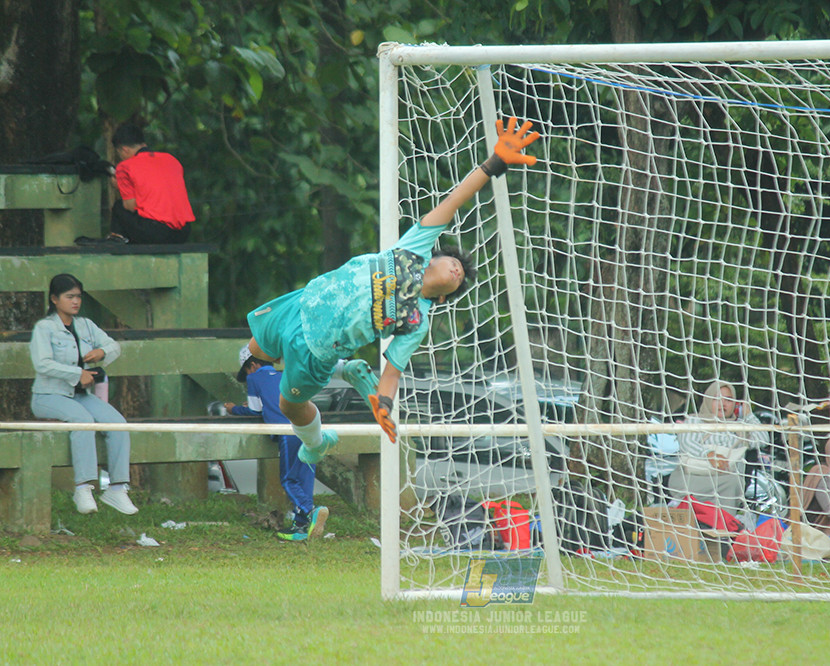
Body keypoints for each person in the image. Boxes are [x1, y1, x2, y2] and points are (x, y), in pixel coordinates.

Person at [244, 117, 539, 464]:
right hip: (304, 303)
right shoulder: (414, 248)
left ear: (443, 297)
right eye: (454, 263)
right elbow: (455, 199)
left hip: (316, 348)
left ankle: (316, 442)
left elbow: (392, 373)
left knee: (288, 405)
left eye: (459, 279)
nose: (457, 270)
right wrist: (494, 163)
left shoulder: (417, 321)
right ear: (437, 255)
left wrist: (383, 405)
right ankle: (345, 370)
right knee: (252, 352)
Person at [29, 274, 138, 515]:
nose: (75, 301)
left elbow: (114, 346)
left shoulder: (86, 325)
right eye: (69, 297)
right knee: (83, 422)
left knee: (118, 424)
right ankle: (83, 487)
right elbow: (42, 364)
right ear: (55, 299)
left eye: (78, 296)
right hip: (49, 396)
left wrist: (101, 352)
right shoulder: (45, 328)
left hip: (81, 396)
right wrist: (77, 374)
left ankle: (117, 488)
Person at [224, 344, 330, 541]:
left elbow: (255, 410)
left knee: (289, 479)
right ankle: (301, 526)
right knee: (304, 476)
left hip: (288, 431)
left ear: (253, 364)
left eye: (246, 371)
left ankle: (310, 510)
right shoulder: (285, 375)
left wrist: (234, 409)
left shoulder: (255, 377)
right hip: (310, 428)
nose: (247, 377)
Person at [78, 123, 195, 245]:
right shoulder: (171, 160)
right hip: (182, 232)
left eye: (119, 153)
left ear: (124, 149)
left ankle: (117, 239)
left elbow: (130, 206)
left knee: (119, 207)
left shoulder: (125, 167)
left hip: (156, 232)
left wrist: (120, 188)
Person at [668, 380, 769, 517]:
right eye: (717, 399)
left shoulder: (739, 428)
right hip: (691, 477)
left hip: (725, 480)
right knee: (732, 482)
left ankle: (724, 528)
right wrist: (709, 455)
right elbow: (686, 442)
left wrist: (749, 416)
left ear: (735, 404)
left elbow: (763, 440)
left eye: (728, 399)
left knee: (733, 481)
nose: (723, 404)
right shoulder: (696, 421)